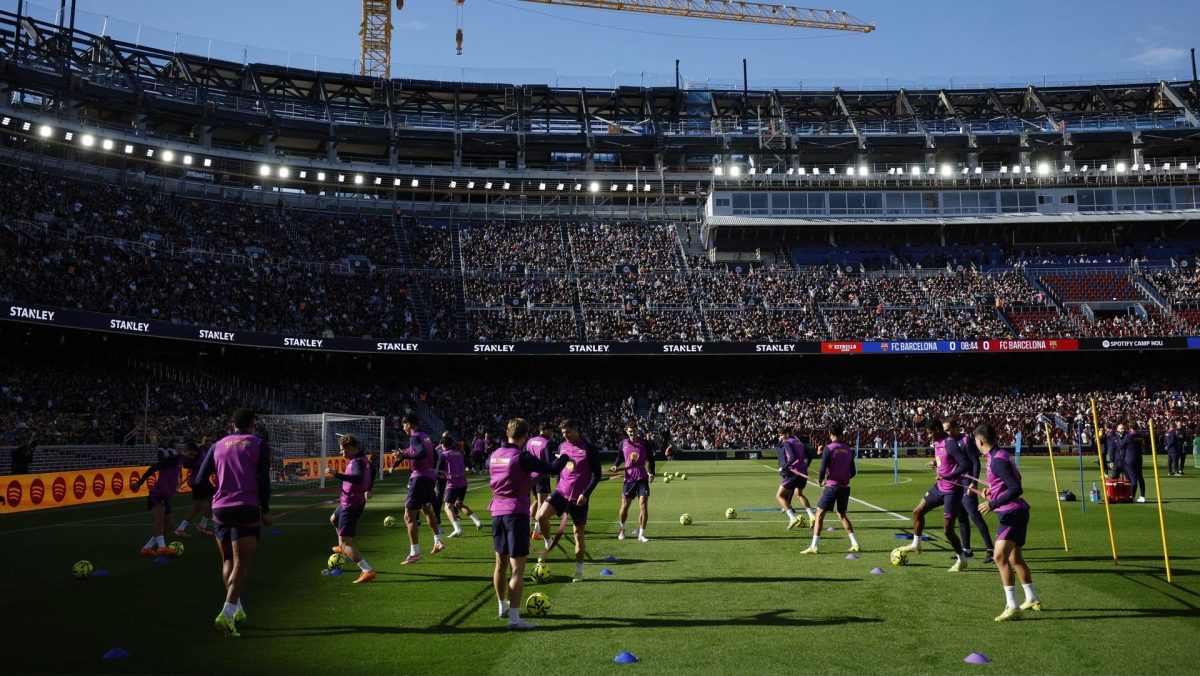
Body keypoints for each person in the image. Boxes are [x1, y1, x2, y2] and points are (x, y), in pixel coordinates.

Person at [195, 408, 273, 638]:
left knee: (228, 559)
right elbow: (263, 480)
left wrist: (216, 493)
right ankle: (227, 612)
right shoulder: (258, 443)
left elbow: (199, 480)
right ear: (253, 424)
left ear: (232, 424)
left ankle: (236, 608)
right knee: (242, 563)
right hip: (246, 507)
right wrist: (265, 510)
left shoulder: (217, 444)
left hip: (221, 508)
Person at [488, 418, 566, 630]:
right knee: (517, 570)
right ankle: (514, 619)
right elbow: (552, 468)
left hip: (497, 511)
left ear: (507, 433)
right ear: (524, 436)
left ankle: (502, 607)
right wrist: (565, 457)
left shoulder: (494, 456)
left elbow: (512, 483)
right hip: (516, 514)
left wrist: (531, 480)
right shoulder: (521, 456)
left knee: (500, 565)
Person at [975, 423, 1041, 621]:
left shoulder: (997, 460)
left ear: (980, 441)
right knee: (1014, 559)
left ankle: (1012, 606)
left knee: (999, 557)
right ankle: (1031, 598)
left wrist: (992, 503)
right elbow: (1004, 484)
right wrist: (992, 492)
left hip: (1012, 513)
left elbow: (1015, 488)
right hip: (1016, 511)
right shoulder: (998, 455)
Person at [898, 418, 971, 572]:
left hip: (952, 491)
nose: (929, 436)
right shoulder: (937, 443)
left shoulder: (950, 442)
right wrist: (935, 463)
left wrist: (949, 476)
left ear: (938, 429)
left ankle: (962, 560)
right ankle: (916, 544)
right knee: (917, 511)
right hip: (939, 487)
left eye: (930, 433)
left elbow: (965, 464)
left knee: (947, 531)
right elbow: (945, 461)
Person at [535, 418, 602, 582]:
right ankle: (549, 542)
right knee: (540, 516)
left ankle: (579, 570)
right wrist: (558, 486)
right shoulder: (562, 446)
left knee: (578, 535)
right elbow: (559, 470)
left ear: (576, 429)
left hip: (579, 498)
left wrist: (586, 494)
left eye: (568, 432)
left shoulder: (589, 448)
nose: (566, 435)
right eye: (563, 433)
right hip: (561, 492)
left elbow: (597, 475)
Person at [800, 422, 860, 554]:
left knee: (819, 514)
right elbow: (853, 472)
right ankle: (855, 543)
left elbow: (822, 467)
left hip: (832, 487)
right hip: (845, 488)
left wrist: (821, 480)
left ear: (830, 434)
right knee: (842, 515)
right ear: (842, 433)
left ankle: (814, 546)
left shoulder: (829, 448)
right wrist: (843, 479)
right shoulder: (848, 449)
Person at [324, 434, 376, 584]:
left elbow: (359, 478)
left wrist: (337, 475)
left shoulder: (358, 462)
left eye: (343, 450)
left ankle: (367, 570)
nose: (342, 453)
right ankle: (342, 547)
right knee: (334, 519)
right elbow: (371, 471)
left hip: (351, 504)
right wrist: (369, 488)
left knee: (347, 542)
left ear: (352, 448)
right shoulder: (362, 459)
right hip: (347, 501)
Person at [392, 413, 443, 564]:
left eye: (404, 425)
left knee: (409, 515)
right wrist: (404, 454)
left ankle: (415, 552)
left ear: (409, 424)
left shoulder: (414, 437)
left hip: (419, 477)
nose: (403, 428)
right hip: (429, 477)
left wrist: (406, 456)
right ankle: (437, 540)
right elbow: (430, 453)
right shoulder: (424, 436)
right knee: (426, 510)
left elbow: (421, 453)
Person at [947, 419, 994, 564]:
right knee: (961, 518)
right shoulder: (950, 442)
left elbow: (975, 462)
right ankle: (966, 550)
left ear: (956, 427)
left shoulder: (966, 440)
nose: (946, 432)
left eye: (948, 429)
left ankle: (991, 550)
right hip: (957, 484)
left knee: (975, 516)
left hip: (967, 483)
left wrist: (973, 483)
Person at [131, 444, 188, 556]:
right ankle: (162, 547)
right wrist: (139, 482)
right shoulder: (173, 460)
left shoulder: (180, 462)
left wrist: (173, 489)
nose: (193, 456)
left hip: (165, 496)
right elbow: (153, 468)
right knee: (159, 521)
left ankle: (147, 547)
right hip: (157, 495)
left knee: (170, 524)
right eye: (191, 453)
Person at [611, 422, 655, 543]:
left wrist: (651, 472)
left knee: (643, 504)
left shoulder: (645, 443)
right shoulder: (623, 444)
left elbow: (651, 459)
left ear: (637, 430)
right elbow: (619, 458)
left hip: (642, 477)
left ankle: (641, 534)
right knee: (625, 506)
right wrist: (615, 466)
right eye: (630, 431)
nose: (632, 433)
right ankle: (622, 529)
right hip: (629, 479)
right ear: (626, 432)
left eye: (634, 430)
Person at [438, 432, 482, 536]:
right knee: (459, 504)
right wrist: (465, 470)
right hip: (463, 483)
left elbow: (438, 471)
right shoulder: (459, 453)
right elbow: (468, 466)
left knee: (448, 507)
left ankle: (457, 529)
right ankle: (477, 521)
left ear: (443, 445)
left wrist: (439, 476)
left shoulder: (444, 455)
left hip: (453, 484)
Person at [774, 426, 815, 530]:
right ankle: (811, 515)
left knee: (779, 496)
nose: (780, 436)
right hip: (802, 473)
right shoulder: (799, 442)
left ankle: (792, 517)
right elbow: (810, 456)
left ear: (786, 434)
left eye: (781, 434)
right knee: (799, 494)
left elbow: (792, 457)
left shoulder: (788, 442)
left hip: (793, 473)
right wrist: (806, 466)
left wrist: (783, 467)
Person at [176, 439, 215, 537]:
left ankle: (180, 528)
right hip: (200, 481)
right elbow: (186, 464)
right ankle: (202, 525)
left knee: (197, 507)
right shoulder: (199, 451)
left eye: (209, 441)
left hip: (197, 481)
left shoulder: (206, 451)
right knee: (215, 501)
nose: (208, 443)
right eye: (206, 441)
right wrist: (202, 466)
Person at [525, 422, 556, 540]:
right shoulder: (547, 443)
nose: (552, 433)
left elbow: (525, 455)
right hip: (542, 476)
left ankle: (527, 529)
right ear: (546, 430)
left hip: (531, 475)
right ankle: (536, 532)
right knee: (542, 504)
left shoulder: (530, 441)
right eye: (551, 431)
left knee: (536, 502)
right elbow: (549, 462)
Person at [1125, 424, 1147, 502]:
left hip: (1130, 458)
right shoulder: (1139, 435)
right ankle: (1142, 496)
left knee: (1133, 478)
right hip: (1139, 457)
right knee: (1140, 477)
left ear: (1130, 427)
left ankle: (1132, 496)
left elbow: (1122, 445)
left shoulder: (1129, 436)